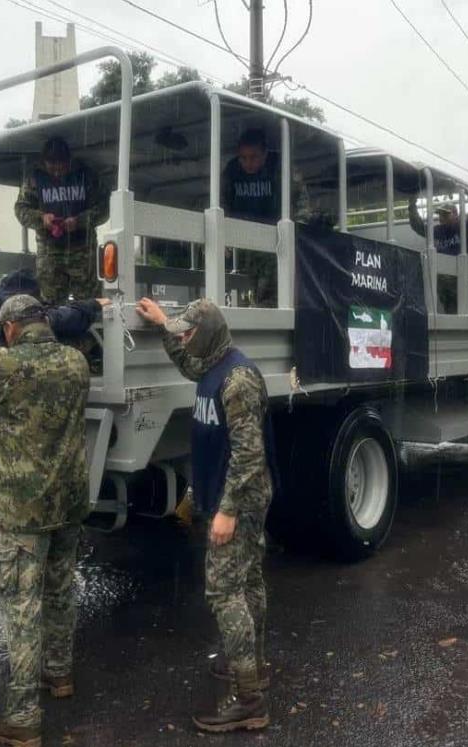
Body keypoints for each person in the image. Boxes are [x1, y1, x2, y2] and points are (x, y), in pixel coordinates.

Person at [0, 295, 91, 747]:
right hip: (68, 502)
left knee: (22, 606)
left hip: (22, 509)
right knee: (61, 589)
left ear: (8, 329)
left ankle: (24, 716)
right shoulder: (76, 362)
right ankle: (60, 674)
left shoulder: (3, 365)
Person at [135, 297, 275, 734]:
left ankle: (248, 699)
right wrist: (163, 325)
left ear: (210, 331)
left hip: (239, 502)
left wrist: (227, 511)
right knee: (248, 582)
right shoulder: (210, 365)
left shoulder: (237, 381)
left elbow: (250, 456)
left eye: (188, 332)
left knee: (224, 592)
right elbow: (185, 362)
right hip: (229, 497)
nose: (183, 338)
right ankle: (253, 664)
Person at [0, 269, 107, 597]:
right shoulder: (18, 313)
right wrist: (93, 305)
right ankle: (29, 572)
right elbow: (66, 318)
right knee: (13, 474)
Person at [15, 136, 109, 304]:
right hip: (50, 253)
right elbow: (21, 209)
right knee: (51, 305)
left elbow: (104, 208)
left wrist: (79, 221)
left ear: (69, 161)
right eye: (52, 167)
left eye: (61, 167)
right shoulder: (34, 180)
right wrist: (41, 218)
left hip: (82, 252)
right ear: (44, 163)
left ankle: (89, 331)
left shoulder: (86, 176)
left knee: (89, 304)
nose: (57, 172)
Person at [221, 128, 309, 308]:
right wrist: (224, 235)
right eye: (243, 158)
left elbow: (302, 202)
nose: (248, 163)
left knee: (276, 287)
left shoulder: (280, 167)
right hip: (249, 240)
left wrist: (299, 234)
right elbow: (222, 203)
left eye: (253, 157)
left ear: (265, 154)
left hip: (279, 238)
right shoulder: (232, 171)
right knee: (256, 284)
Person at [408, 192, 468, 313]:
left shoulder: (463, 226)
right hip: (442, 276)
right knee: (449, 305)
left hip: (460, 273)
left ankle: (463, 324)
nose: (441, 217)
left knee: (459, 307)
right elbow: (418, 226)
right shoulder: (437, 231)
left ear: (456, 214)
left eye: (445, 214)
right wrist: (412, 206)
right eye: (440, 214)